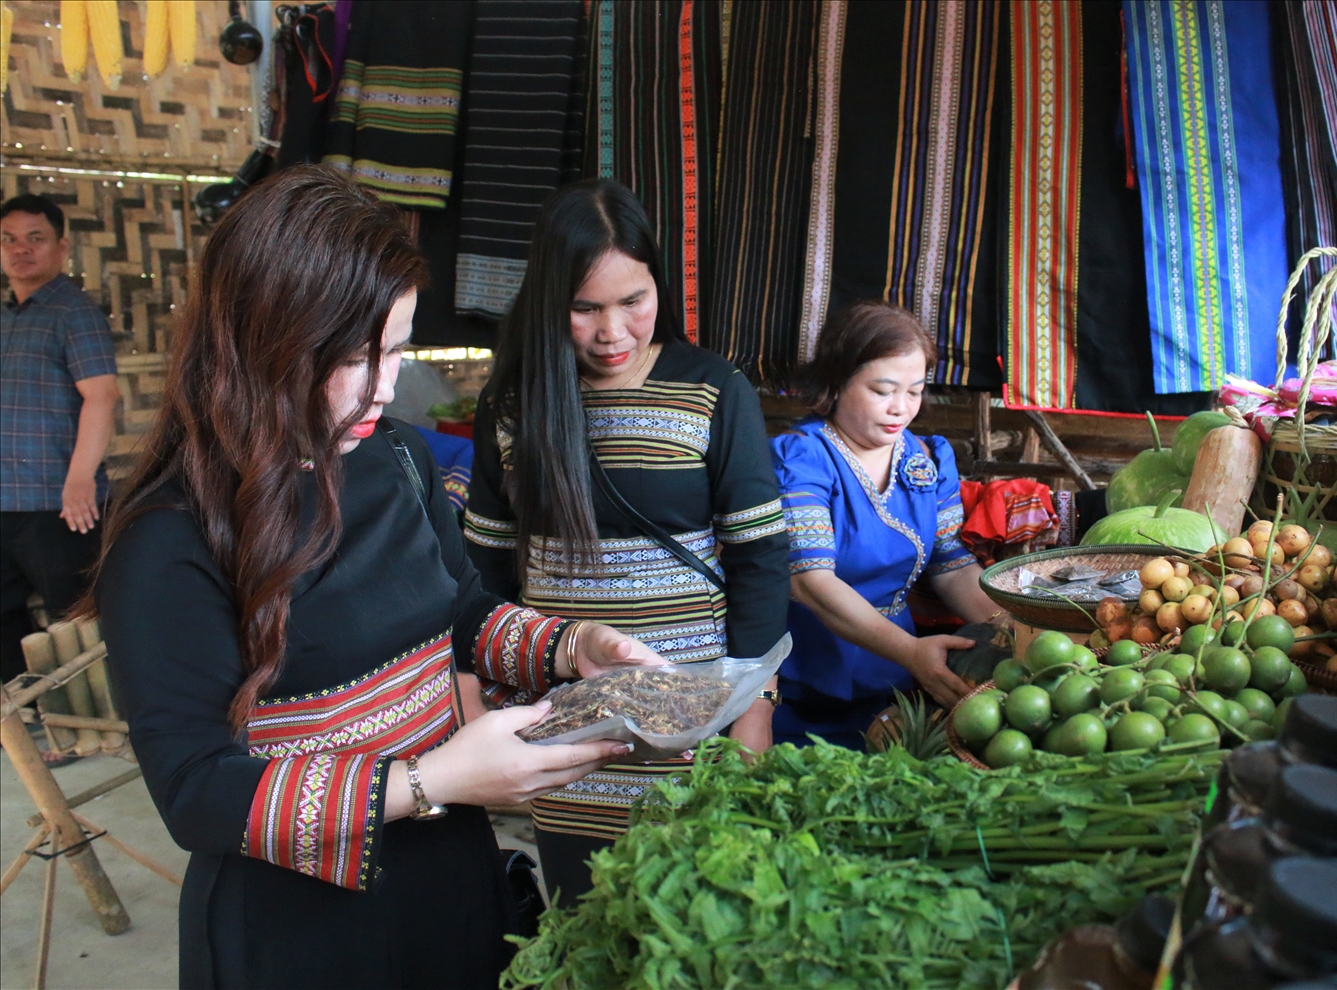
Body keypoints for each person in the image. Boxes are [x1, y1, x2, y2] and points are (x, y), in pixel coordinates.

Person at [84, 166, 665, 990]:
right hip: (298, 927)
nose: (387, 387)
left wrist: (573, 647)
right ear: (268, 339)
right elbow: (197, 793)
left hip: (448, 877)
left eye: (395, 350)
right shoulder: (169, 539)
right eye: (359, 357)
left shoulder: (394, 457)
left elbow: (459, 607)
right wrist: (435, 779)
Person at [463, 178, 790, 907]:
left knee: (692, 924)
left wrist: (756, 711)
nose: (612, 331)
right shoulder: (513, 404)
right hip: (565, 730)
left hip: (693, 718)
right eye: (585, 309)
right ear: (551, 301)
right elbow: (482, 574)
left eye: (631, 301)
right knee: (585, 924)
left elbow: (761, 561)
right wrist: (476, 708)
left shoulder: (712, 390)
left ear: (658, 287)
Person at [770, 301, 999, 749]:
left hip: (896, 693)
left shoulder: (927, 459)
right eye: (883, 390)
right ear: (837, 382)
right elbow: (811, 582)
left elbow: (951, 565)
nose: (901, 408)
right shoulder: (802, 458)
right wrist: (912, 653)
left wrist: (1013, 625)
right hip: (801, 689)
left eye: (914, 391)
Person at [1, 194, 120, 686]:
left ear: (61, 246)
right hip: (6, 501)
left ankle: (81, 732)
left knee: (73, 624)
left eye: (36, 238)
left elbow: (102, 397)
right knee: (7, 621)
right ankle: (24, 723)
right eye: (9, 239)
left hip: (61, 505)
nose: (21, 250)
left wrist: (78, 482)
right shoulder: (7, 316)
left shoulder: (74, 312)